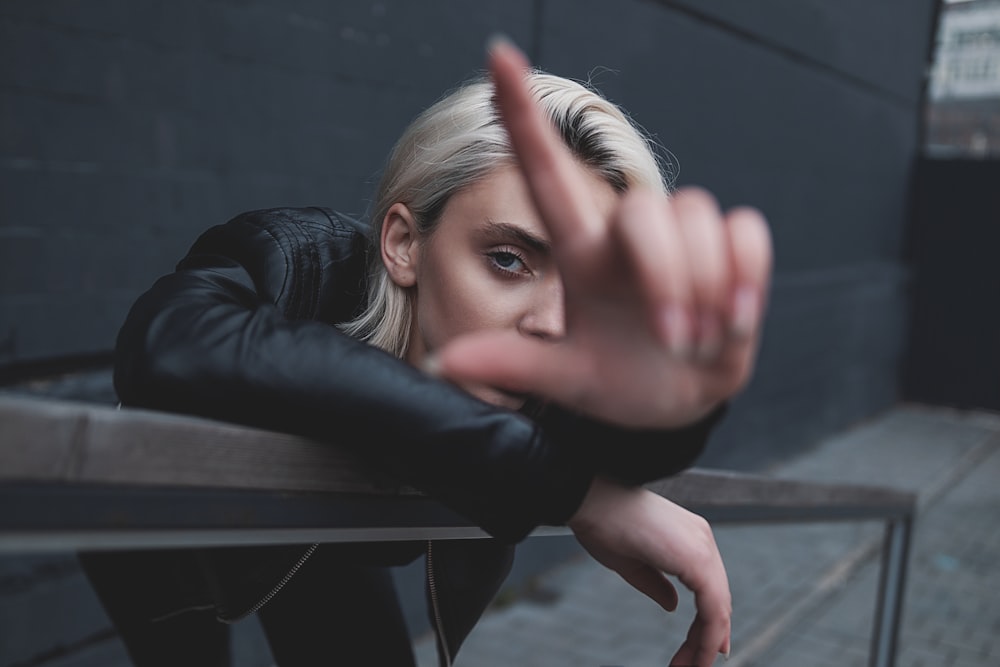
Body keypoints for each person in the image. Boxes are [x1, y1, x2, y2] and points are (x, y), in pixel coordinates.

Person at [79, 39, 771, 667]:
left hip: (335, 541)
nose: (553, 322)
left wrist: (680, 412)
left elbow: (623, 442)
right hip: (174, 540)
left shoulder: (557, 366)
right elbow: (166, 348)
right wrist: (565, 488)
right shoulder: (295, 261)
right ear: (404, 244)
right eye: (507, 259)